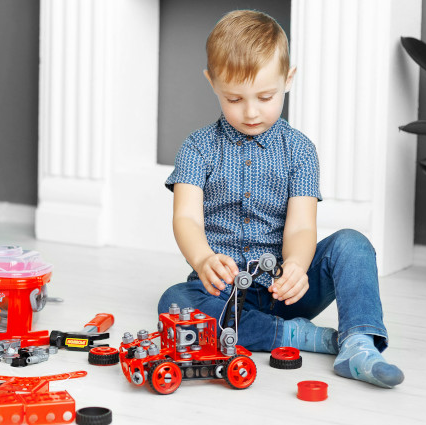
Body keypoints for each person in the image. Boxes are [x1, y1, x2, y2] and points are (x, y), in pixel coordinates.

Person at [159, 10, 404, 388]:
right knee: (174, 300)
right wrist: (203, 258)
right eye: (235, 98)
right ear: (212, 83)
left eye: (266, 96)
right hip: (224, 294)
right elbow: (186, 219)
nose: (251, 111)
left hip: (286, 288)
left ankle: (358, 343)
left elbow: (303, 225)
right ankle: (298, 337)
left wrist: (297, 266)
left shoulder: (300, 151)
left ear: (288, 80)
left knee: (354, 245)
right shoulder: (197, 148)